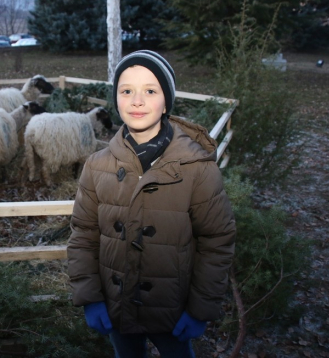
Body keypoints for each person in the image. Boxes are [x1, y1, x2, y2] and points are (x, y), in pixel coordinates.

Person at [67, 50, 236, 358]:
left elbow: (216, 240)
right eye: (126, 90)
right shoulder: (96, 166)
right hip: (116, 307)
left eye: (150, 90)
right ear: (115, 98)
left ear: (166, 101)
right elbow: (83, 235)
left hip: (173, 311)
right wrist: (90, 297)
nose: (137, 100)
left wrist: (200, 309)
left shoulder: (197, 167)